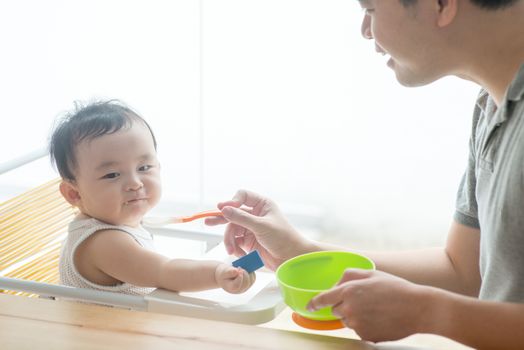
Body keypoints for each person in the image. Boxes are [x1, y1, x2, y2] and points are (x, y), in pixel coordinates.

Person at [206, 0, 524, 348]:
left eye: (370, 9)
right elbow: (464, 272)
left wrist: (427, 312)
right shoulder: (492, 104)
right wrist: (302, 252)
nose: (365, 30)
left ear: (441, 4)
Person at [49, 100, 255, 296]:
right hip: (102, 332)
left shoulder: (120, 223)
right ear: (74, 194)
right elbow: (164, 271)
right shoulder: (103, 242)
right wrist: (217, 274)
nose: (135, 183)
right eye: (112, 175)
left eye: (144, 167)